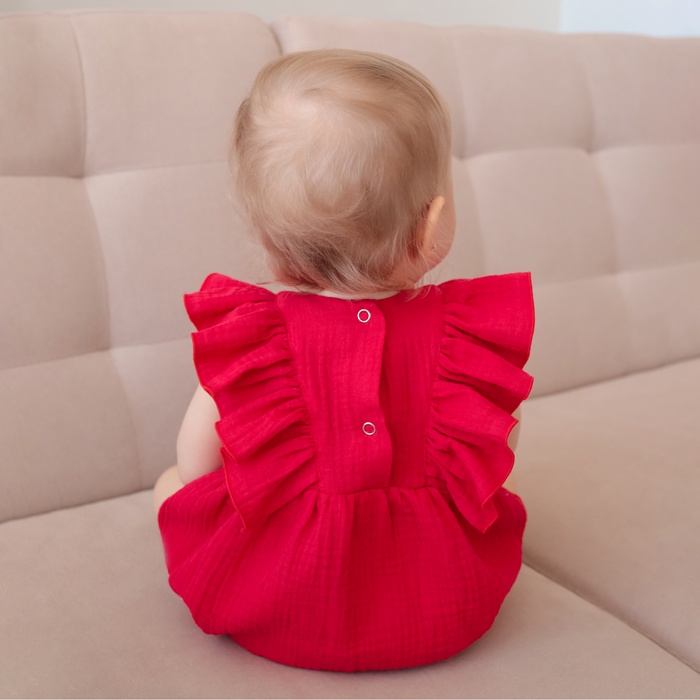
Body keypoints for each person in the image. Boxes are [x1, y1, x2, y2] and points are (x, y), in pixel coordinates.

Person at [154, 49, 535, 672]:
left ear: (265, 239)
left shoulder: (255, 340)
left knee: (171, 487)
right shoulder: (464, 336)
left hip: (277, 611)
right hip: (448, 607)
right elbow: (497, 461)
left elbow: (197, 465)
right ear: (432, 225)